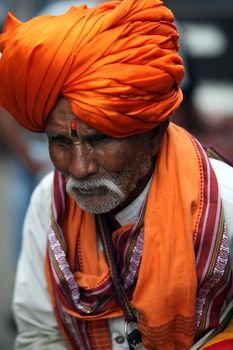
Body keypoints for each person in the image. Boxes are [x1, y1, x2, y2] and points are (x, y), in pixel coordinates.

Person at [0, 0, 232, 349]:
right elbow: (39, 334)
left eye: (100, 139)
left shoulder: (224, 200)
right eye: (60, 141)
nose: (79, 168)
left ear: (153, 135)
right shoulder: (49, 200)